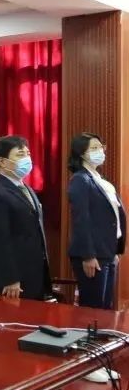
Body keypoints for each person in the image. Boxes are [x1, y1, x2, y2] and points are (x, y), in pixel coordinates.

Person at [0, 135, 51, 300]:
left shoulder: (26, 188)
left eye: (28, 154)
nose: (27, 158)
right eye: (20, 154)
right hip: (12, 279)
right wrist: (10, 278)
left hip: (34, 272)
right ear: (2, 161)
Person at [68, 132, 126, 310]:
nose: (100, 151)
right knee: (93, 309)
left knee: (105, 308)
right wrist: (88, 255)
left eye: (101, 147)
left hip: (107, 252)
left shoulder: (100, 180)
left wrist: (115, 250)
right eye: (94, 148)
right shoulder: (80, 179)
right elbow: (81, 219)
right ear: (82, 153)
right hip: (92, 255)